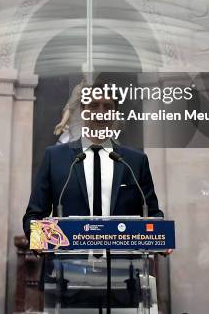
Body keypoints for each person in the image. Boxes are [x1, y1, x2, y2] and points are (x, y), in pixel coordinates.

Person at [23, 92, 166, 241]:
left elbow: (151, 213)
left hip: (123, 261)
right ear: (83, 111)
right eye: (94, 106)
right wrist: (38, 238)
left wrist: (162, 237)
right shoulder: (55, 157)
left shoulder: (135, 161)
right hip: (67, 261)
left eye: (107, 107)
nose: (101, 112)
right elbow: (34, 215)